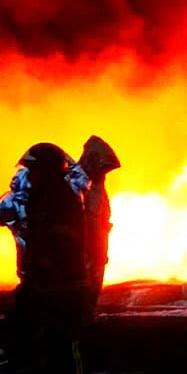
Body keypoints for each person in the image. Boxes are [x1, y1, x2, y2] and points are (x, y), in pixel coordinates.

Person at [0, 143, 91, 374]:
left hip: (63, 287)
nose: (29, 175)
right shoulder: (40, 197)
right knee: (37, 342)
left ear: (47, 170)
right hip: (42, 284)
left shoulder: (61, 199)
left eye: (33, 170)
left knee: (66, 346)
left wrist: (48, 267)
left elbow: (63, 243)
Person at [74, 135, 121, 322]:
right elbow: (87, 219)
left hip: (97, 246)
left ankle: (86, 317)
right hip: (84, 248)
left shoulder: (97, 186)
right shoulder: (79, 185)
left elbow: (101, 217)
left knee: (92, 287)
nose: (104, 173)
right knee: (83, 289)